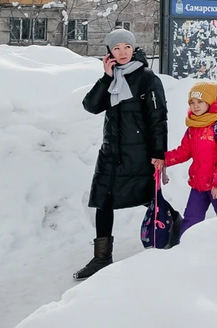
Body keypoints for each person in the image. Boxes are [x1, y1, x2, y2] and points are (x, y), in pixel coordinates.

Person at [74, 29, 168, 280]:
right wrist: (105, 78)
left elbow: (158, 119)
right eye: (117, 48)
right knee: (103, 201)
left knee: (151, 199)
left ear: (134, 48)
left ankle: (175, 227)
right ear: (109, 53)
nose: (123, 52)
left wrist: (160, 153)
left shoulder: (147, 78)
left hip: (139, 154)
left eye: (127, 46)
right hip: (111, 153)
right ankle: (102, 257)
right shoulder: (112, 77)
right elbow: (91, 106)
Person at [164, 81, 217, 234]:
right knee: (191, 220)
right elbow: (183, 152)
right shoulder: (193, 129)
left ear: (209, 103)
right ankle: (183, 248)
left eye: (200, 102)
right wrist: (164, 160)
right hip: (199, 185)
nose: (195, 106)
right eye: (192, 102)